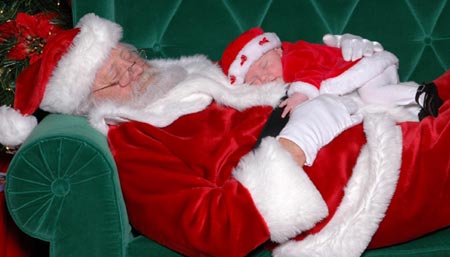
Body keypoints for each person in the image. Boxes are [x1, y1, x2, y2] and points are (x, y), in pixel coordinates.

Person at [1, 13, 450, 257]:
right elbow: (209, 227)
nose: (132, 69)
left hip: (368, 118)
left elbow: (292, 71)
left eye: (125, 56)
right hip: (348, 179)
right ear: (92, 103)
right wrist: (286, 158)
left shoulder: (201, 79)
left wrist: (345, 62)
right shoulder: (132, 142)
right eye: (112, 75)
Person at [221, 27, 442, 121]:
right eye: (254, 80)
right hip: (367, 73)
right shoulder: (285, 63)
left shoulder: (293, 56)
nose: (264, 77)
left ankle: (421, 94)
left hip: (366, 65)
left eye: (264, 65)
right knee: (380, 105)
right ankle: (418, 111)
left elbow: (310, 73)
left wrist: (300, 95)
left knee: (372, 95)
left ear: (277, 50)